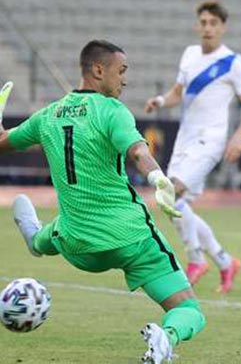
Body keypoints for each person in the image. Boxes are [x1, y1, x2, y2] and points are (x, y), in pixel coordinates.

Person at [0, 40, 206, 363]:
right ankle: (166, 339)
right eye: (121, 71)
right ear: (98, 70)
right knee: (189, 310)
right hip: (129, 238)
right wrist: (158, 179)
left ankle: (36, 241)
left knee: (56, 230)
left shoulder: (47, 116)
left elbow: (2, 142)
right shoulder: (111, 111)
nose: (125, 80)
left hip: (76, 244)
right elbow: (138, 151)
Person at [144, 0, 241, 293]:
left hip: (212, 139)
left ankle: (195, 259)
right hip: (186, 137)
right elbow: (177, 94)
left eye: (214, 23)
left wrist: (238, 138)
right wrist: (159, 101)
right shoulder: (190, 54)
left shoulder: (233, 62)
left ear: (223, 28)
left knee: (172, 192)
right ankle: (224, 261)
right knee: (174, 202)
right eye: (204, 23)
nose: (208, 28)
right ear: (197, 25)